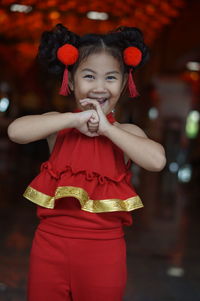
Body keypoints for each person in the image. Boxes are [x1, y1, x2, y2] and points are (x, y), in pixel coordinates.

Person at [7, 24, 166, 301]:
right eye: (89, 76)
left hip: (103, 253)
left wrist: (107, 129)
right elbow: (16, 131)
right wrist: (73, 119)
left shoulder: (126, 134)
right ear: (71, 81)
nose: (100, 87)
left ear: (125, 83)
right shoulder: (60, 127)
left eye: (111, 78)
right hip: (48, 247)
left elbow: (156, 161)